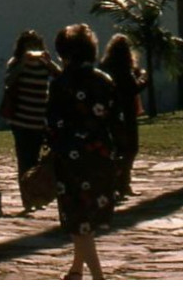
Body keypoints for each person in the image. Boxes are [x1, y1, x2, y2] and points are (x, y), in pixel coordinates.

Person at [47, 23, 119, 280]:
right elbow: (115, 117)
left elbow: (52, 121)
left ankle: (98, 277)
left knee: (78, 218)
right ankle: (76, 268)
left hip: (71, 156)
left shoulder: (60, 83)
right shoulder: (105, 80)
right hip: (101, 153)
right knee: (89, 216)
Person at [2, 28, 58, 206]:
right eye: (29, 45)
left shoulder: (44, 63)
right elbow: (8, 82)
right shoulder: (16, 62)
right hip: (20, 119)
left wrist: (50, 63)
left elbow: (61, 76)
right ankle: (27, 198)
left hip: (39, 118)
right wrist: (22, 64)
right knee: (24, 159)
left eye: (35, 45)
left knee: (36, 160)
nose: (32, 49)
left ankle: (36, 194)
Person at [100, 34, 145, 199]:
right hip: (126, 112)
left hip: (111, 113)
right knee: (130, 149)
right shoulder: (125, 70)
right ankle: (123, 183)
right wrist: (143, 79)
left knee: (118, 149)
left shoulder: (105, 67)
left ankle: (117, 183)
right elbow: (132, 88)